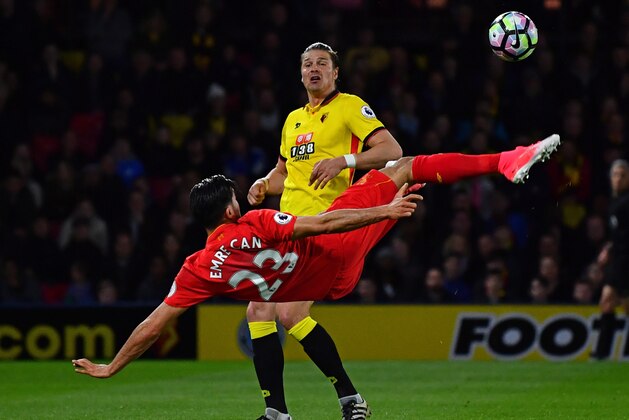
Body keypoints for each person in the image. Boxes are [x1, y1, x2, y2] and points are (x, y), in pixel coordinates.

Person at [72, 134, 560, 420]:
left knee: (265, 309)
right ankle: (504, 160)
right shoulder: (256, 223)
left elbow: (154, 324)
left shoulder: (198, 268)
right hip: (336, 251)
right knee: (405, 165)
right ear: (229, 207)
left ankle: (285, 409)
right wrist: (386, 211)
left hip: (316, 288)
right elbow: (325, 222)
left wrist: (113, 366)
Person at [245, 42, 403, 420]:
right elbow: (284, 175)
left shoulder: (349, 106)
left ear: (335, 73)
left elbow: (391, 149)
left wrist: (344, 161)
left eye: (322, 64)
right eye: (307, 64)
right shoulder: (292, 120)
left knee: (286, 311)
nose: (314, 69)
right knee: (261, 311)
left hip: (327, 223)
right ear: (300, 74)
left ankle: (341, 400)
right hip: (287, 229)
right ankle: (284, 411)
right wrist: (264, 184)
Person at [591, 159, 629, 360]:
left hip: (626, 260)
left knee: (622, 304)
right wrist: (608, 248)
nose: (618, 179)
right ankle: (602, 353)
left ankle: (605, 353)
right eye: (616, 175)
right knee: (607, 302)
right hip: (619, 260)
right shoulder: (614, 202)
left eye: (623, 175)